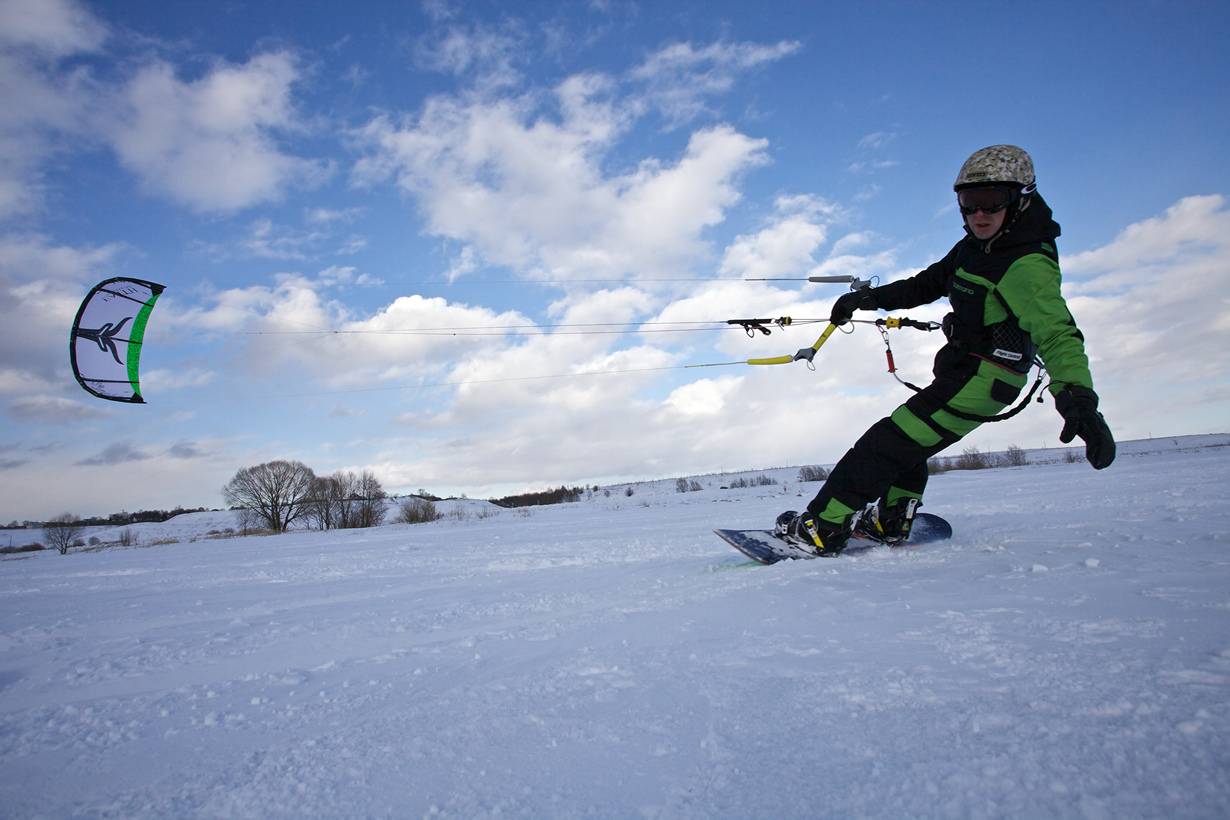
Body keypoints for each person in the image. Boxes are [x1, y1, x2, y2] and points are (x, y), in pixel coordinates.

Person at [776, 144, 1116, 555]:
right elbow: (927, 283)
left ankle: (822, 527)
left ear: (1021, 199)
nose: (979, 214)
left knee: (888, 441)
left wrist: (1078, 397)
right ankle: (891, 519)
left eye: (993, 202)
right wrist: (867, 300)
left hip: (987, 376)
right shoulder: (974, 247)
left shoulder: (1026, 263)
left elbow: (1059, 334)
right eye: (969, 203)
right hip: (965, 370)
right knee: (909, 441)